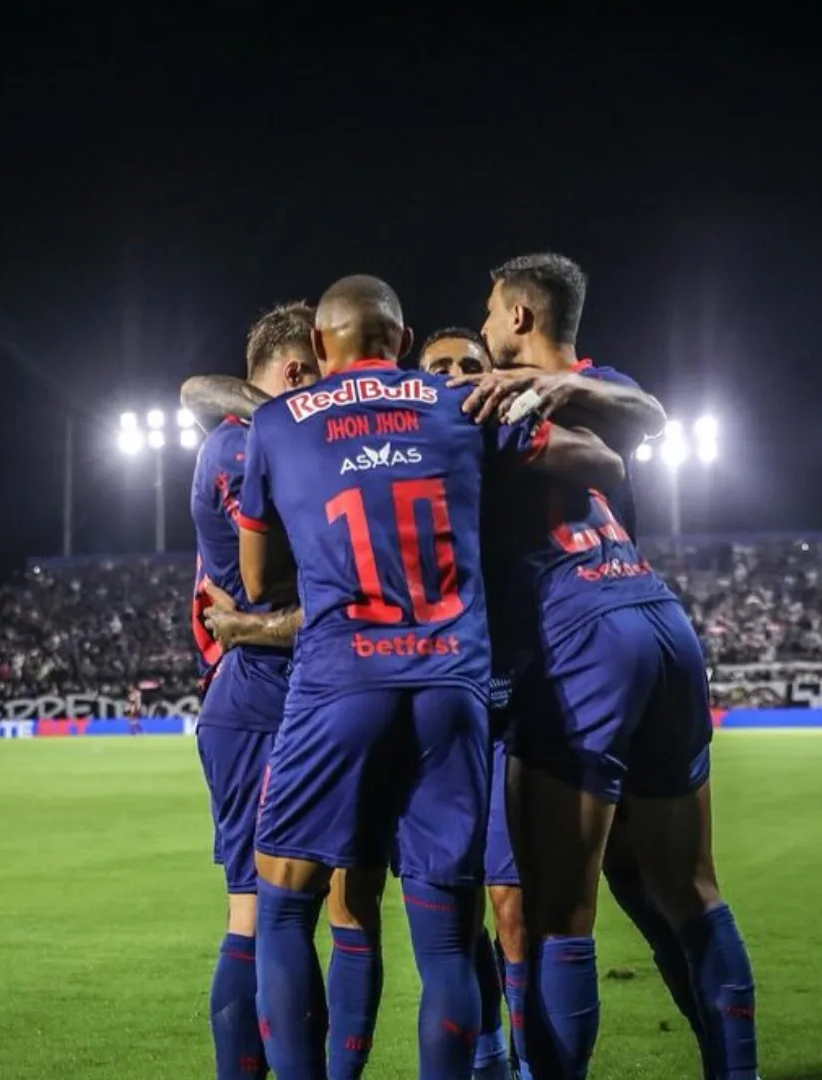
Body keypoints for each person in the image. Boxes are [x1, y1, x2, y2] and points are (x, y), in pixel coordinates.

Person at [237, 274, 624, 1080]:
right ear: (405, 341)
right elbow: (602, 463)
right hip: (452, 685)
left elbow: (258, 580)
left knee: (283, 909)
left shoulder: (276, 422)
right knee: (447, 940)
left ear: (320, 345)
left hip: (339, 681)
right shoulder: (463, 402)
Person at [468, 252, 760, 1080]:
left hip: (577, 635)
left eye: (489, 312)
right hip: (658, 618)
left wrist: (541, 389)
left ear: (520, 315)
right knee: (688, 890)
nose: (484, 330)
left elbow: (651, 417)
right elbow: (644, 423)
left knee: (558, 917)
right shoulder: (600, 392)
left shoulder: (537, 395)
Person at [180, 301, 321, 1080]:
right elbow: (287, 576)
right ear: (297, 372)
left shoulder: (263, 436)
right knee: (262, 913)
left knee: (305, 914)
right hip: (261, 698)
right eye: (324, 374)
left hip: (301, 691)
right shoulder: (239, 448)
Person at [415, 324, 522, 1080]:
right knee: (455, 908)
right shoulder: (398, 467)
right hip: (437, 707)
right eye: (437, 367)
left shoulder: (518, 454)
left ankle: (529, 1058)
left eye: (467, 365)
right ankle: (487, 1053)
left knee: (511, 902)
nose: (454, 376)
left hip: (513, 706)